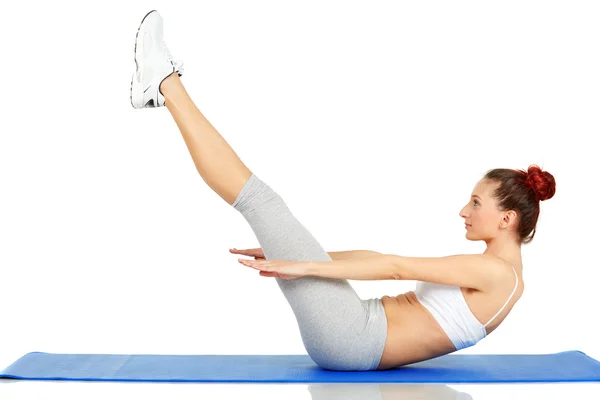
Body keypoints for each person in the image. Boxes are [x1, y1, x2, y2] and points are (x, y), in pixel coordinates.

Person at [130, 10, 556, 371]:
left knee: (260, 200)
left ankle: (165, 85)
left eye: (476, 203)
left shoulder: (496, 273)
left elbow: (394, 267)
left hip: (353, 338)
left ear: (507, 218)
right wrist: (303, 257)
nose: (464, 210)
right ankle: (164, 88)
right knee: (268, 207)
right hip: (355, 334)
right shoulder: (503, 276)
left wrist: (307, 268)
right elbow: (380, 258)